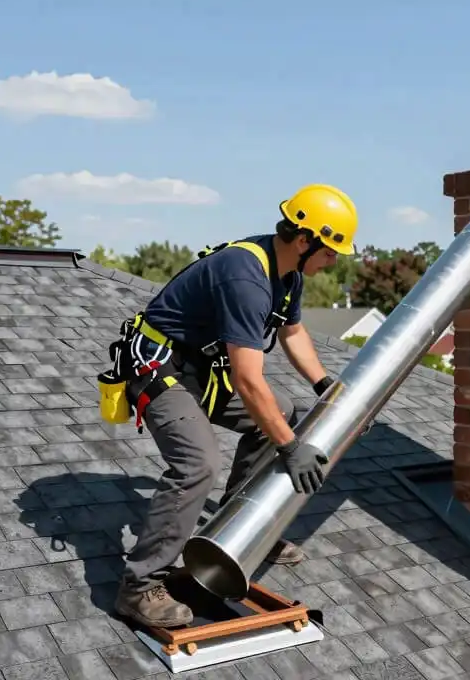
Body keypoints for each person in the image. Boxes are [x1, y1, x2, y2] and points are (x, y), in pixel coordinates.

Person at [107, 183, 359, 629]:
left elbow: (293, 333)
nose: (333, 261)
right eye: (331, 251)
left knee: (279, 413)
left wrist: (322, 383)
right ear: (304, 241)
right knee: (197, 463)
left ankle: (234, 530)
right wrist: (290, 447)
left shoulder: (288, 276)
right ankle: (139, 587)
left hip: (201, 370)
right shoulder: (246, 278)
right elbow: (247, 379)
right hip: (159, 368)